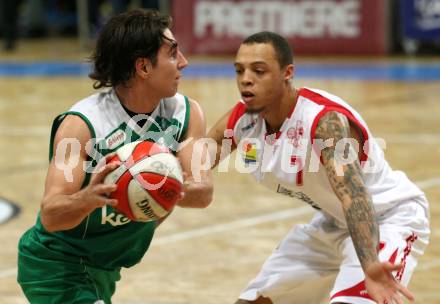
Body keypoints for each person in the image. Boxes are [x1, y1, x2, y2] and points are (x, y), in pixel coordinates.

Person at [208, 31, 430, 304]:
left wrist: (370, 263)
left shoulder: (324, 122)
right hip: (333, 223)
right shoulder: (243, 120)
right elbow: (199, 157)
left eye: (259, 70)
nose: (246, 79)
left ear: (287, 73)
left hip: (385, 219)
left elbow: (354, 196)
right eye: (240, 70)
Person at [17, 9, 213, 304]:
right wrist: (91, 198)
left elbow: (203, 192)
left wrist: (163, 185)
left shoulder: (186, 113)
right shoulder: (82, 125)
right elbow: (51, 214)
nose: (184, 62)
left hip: (105, 267)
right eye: (173, 54)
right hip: (56, 264)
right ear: (144, 67)